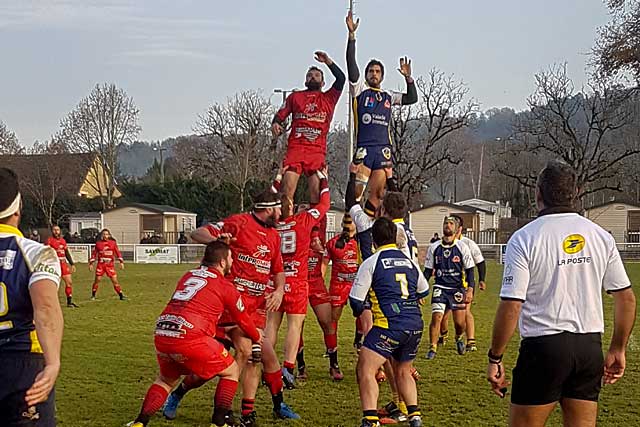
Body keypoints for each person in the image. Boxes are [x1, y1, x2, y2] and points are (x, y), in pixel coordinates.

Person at [487, 160, 637, 427]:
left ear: (538, 194)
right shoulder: (600, 236)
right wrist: (617, 348)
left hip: (543, 349)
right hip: (589, 349)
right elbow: (625, 298)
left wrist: (495, 357)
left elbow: (512, 306)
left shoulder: (524, 239)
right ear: (575, 192)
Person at [169, 191, 298, 426]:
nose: (281, 214)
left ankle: (262, 409)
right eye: (279, 209)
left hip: (255, 308)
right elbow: (197, 233)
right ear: (268, 209)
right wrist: (217, 242)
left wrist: (279, 291)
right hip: (229, 307)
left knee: (263, 357)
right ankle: (213, 406)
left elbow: (278, 270)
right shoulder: (237, 223)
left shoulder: (274, 236)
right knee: (235, 359)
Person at [126, 241, 262, 427]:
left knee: (165, 380)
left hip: (164, 330)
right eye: (230, 258)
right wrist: (257, 337)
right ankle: (219, 422)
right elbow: (244, 320)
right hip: (190, 333)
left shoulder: (188, 275)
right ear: (222, 262)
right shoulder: (225, 285)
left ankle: (140, 422)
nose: (232, 261)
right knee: (231, 371)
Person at [349, 218, 429, 427]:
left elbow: (356, 300)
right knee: (403, 370)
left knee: (365, 369)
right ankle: (415, 417)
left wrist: (363, 310)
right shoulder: (409, 261)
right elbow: (424, 290)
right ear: (394, 236)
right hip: (415, 324)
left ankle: (370, 419)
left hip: (389, 325)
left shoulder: (372, 262)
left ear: (374, 240)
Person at [0, 168, 64, 427]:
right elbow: (46, 308)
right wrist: (52, 363)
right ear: (17, 208)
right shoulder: (37, 253)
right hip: (23, 364)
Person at [345, 11, 418, 219]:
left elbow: (411, 99)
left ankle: (366, 230)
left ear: (382, 76)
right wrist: (352, 36)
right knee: (355, 196)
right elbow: (351, 63)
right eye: (371, 71)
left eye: (377, 71)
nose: (374, 74)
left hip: (383, 151)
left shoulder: (388, 95)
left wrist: (408, 78)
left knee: (377, 196)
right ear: (367, 75)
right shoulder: (359, 90)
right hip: (364, 150)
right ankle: (349, 235)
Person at [267, 169, 330, 389]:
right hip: (295, 282)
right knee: (294, 326)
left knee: (272, 326)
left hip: (274, 282)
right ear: (292, 208)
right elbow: (324, 205)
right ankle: (288, 368)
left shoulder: (271, 227)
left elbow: (266, 198)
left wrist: (277, 178)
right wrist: (323, 179)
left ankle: (268, 367)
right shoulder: (302, 221)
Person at [271, 50, 345, 238]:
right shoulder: (295, 97)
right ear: (305, 81)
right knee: (286, 192)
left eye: (317, 75)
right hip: (295, 149)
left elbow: (342, 78)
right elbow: (280, 115)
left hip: (316, 151)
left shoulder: (329, 98)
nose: (313, 77)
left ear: (323, 82)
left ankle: (315, 237)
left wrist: (328, 61)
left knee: (316, 195)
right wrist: (276, 124)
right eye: (309, 75)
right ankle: (285, 231)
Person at [423, 216, 475, 360]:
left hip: (457, 288)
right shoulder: (434, 247)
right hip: (440, 286)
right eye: (445, 223)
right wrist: (420, 290)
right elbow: (427, 271)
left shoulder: (462, 247)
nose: (447, 225)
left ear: (456, 228)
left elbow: (470, 270)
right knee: (437, 317)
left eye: (451, 223)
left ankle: (459, 337)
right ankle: (432, 348)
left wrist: (470, 289)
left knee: (459, 323)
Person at [438, 215, 486, 352]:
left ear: (459, 229)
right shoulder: (442, 243)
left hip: (463, 285)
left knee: (465, 312)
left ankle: (470, 340)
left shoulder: (468, 244)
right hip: (445, 285)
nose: (450, 226)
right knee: (443, 314)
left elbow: (480, 262)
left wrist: (481, 279)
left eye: (453, 224)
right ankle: (444, 335)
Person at [322, 215, 358, 380]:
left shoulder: (362, 241)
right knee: (332, 322)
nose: (347, 224)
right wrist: (321, 283)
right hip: (338, 284)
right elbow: (323, 263)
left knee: (367, 319)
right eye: (346, 220)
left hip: (358, 285)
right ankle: (333, 363)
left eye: (350, 221)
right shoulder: (333, 243)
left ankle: (360, 343)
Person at [298, 227, 334, 380]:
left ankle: (334, 364)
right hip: (299, 283)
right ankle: (301, 367)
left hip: (316, 283)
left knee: (327, 322)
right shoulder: (295, 232)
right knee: (298, 325)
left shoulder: (319, 229)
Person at [46, 225, 78, 308]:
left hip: (63, 264)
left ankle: (69, 302)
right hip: (54, 265)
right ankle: (51, 302)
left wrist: (72, 264)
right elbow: (46, 252)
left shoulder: (63, 241)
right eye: (54, 230)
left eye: (58, 230)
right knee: (54, 284)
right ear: (52, 231)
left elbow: (66, 253)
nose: (56, 232)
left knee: (69, 282)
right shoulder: (49, 240)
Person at [89, 229, 126, 301]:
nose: (105, 236)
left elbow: (117, 252)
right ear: (101, 235)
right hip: (101, 265)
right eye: (104, 234)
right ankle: (93, 295)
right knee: (97, 280)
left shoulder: (113, 243)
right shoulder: (98, 243)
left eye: (106, 234)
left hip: (110, 265)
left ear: (109, 235)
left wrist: (121, 262)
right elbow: (94, 254)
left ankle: (121, 295)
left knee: (115, 280)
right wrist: (91, 263)